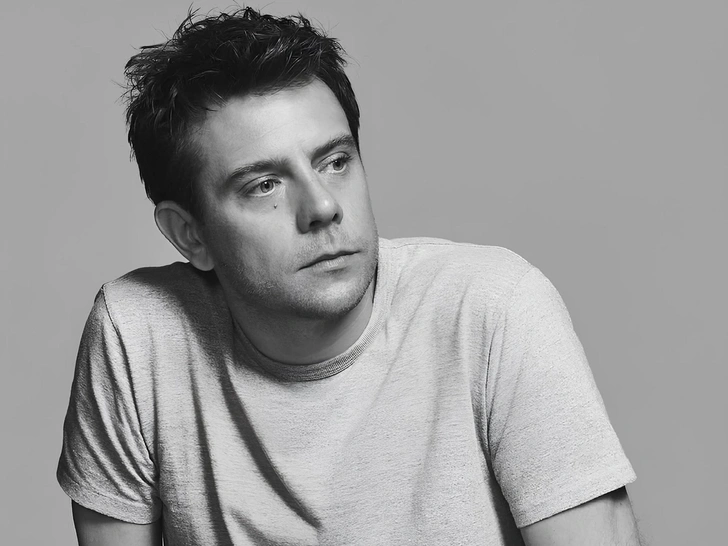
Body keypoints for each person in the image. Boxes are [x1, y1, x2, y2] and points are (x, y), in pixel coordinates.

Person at [57, 7, 641, 546]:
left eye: (335, 162)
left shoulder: (494, 309)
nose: (323, 207)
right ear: (190, 236)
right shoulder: (138, 334)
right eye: (264, 185)